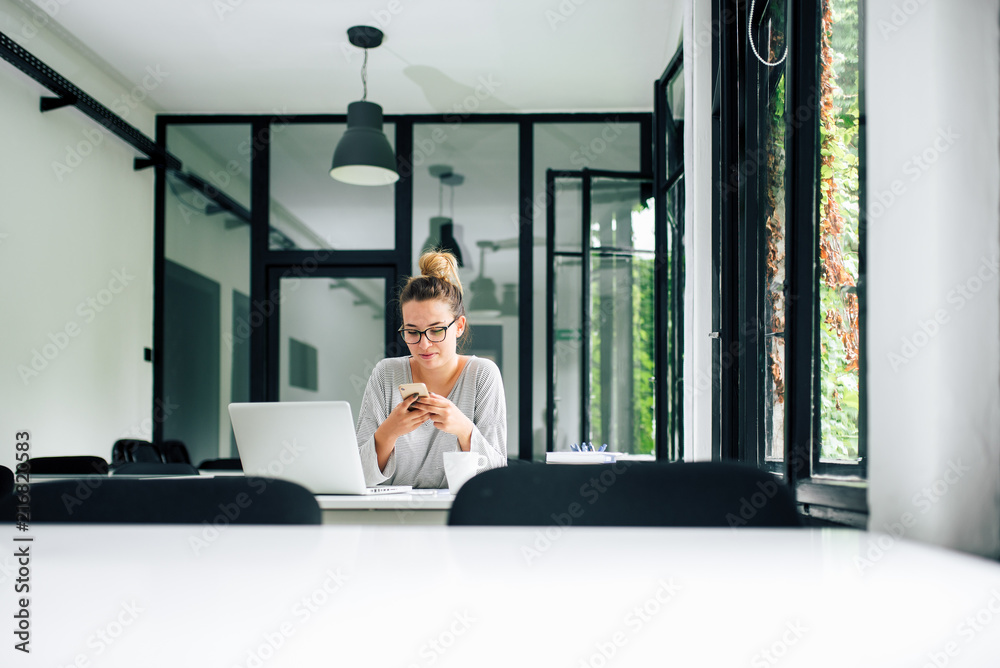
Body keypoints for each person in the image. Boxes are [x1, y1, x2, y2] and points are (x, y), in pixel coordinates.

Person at [356, 250, 507, 488]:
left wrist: (464, 429)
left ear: (459, 326)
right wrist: (388, 431)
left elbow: (497, 478)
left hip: (458, 515)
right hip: (389, 517)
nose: (424, 344)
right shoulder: (386, 373)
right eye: (412, 331)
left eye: (436, 330)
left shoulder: (482, 374)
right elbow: (358, 477)